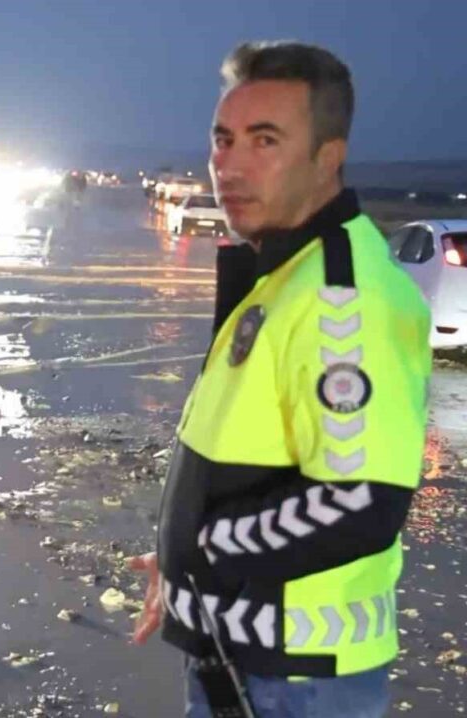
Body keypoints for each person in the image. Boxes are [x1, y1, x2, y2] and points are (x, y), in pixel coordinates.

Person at [129, 41, 430, 717]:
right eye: (223, 139)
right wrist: (181, 573)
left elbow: (360, 502)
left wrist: (202, 553)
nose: (229, 166)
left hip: (292, 683)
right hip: (249, 665)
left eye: (265, 141)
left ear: (329, 156)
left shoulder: (341, 299)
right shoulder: (283, 273)